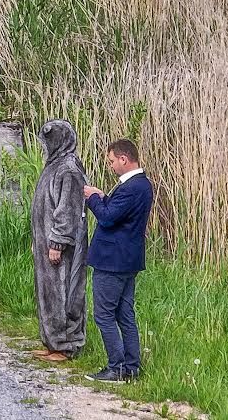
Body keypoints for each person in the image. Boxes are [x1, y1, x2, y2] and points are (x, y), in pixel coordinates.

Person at [82, 138, 154, 382]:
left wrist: (92, 198)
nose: (111, 166)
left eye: (112, 161)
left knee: (103, 315)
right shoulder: (142, 185)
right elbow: (121, 213)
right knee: (125, 314)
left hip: (111, 261)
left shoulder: (131, 187)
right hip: (128, 260)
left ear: (124, 159)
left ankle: (116, 367)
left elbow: (108, 218)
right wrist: (105, 196)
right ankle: (131, 367)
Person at [30, 120, 88, 361]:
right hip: (45, 242)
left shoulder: (69, 169)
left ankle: (67, 345)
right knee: (48, 293)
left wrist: (57, 242)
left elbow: (67, 210)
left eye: (47, 142)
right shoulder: (54, 165)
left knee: (65, 292)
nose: (44, 147)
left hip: (61, 248)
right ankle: (52, 341)